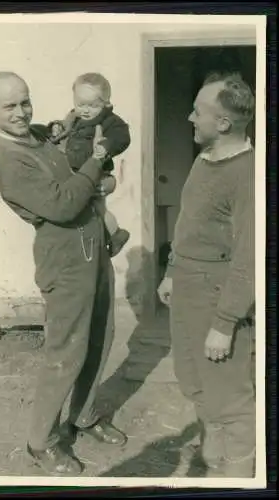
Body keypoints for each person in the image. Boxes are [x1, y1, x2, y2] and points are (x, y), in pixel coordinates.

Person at [0, 71, 127, 476]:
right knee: (66, 351)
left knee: (101, 335)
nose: (21, 111)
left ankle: (83, 416)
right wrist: (98, 165)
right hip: (64, 257)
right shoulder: (6, 159)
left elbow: (90, 169)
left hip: (93, 243)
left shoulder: (45, 135)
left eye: (25, 101)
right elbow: (63, 204)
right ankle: (40, 441)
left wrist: (105, 177)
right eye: (9, 105)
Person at [158, 72, 256, 478]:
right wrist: (170, 271)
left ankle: (239, 477)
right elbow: (188, 223)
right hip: (186, 289)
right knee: (194, 380)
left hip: (219, 295)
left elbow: (249, 257)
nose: (189, 117)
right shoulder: (204, 158)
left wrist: (225, 322)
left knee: (230, 399)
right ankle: (212, 459)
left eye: (198, 111)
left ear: (223, 123)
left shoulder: (249, 174)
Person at [47, 72, 131, 257]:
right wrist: (56, 129)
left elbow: (122, 137)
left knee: (99, 208)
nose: (85, 110)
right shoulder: (74, 118)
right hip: (75, 173)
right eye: (80, 104)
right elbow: (64, 130)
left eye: (93, 105)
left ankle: (116, 235)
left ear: (106, 104)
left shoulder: (109, 121)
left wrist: (106, 146)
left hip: (94, 174)